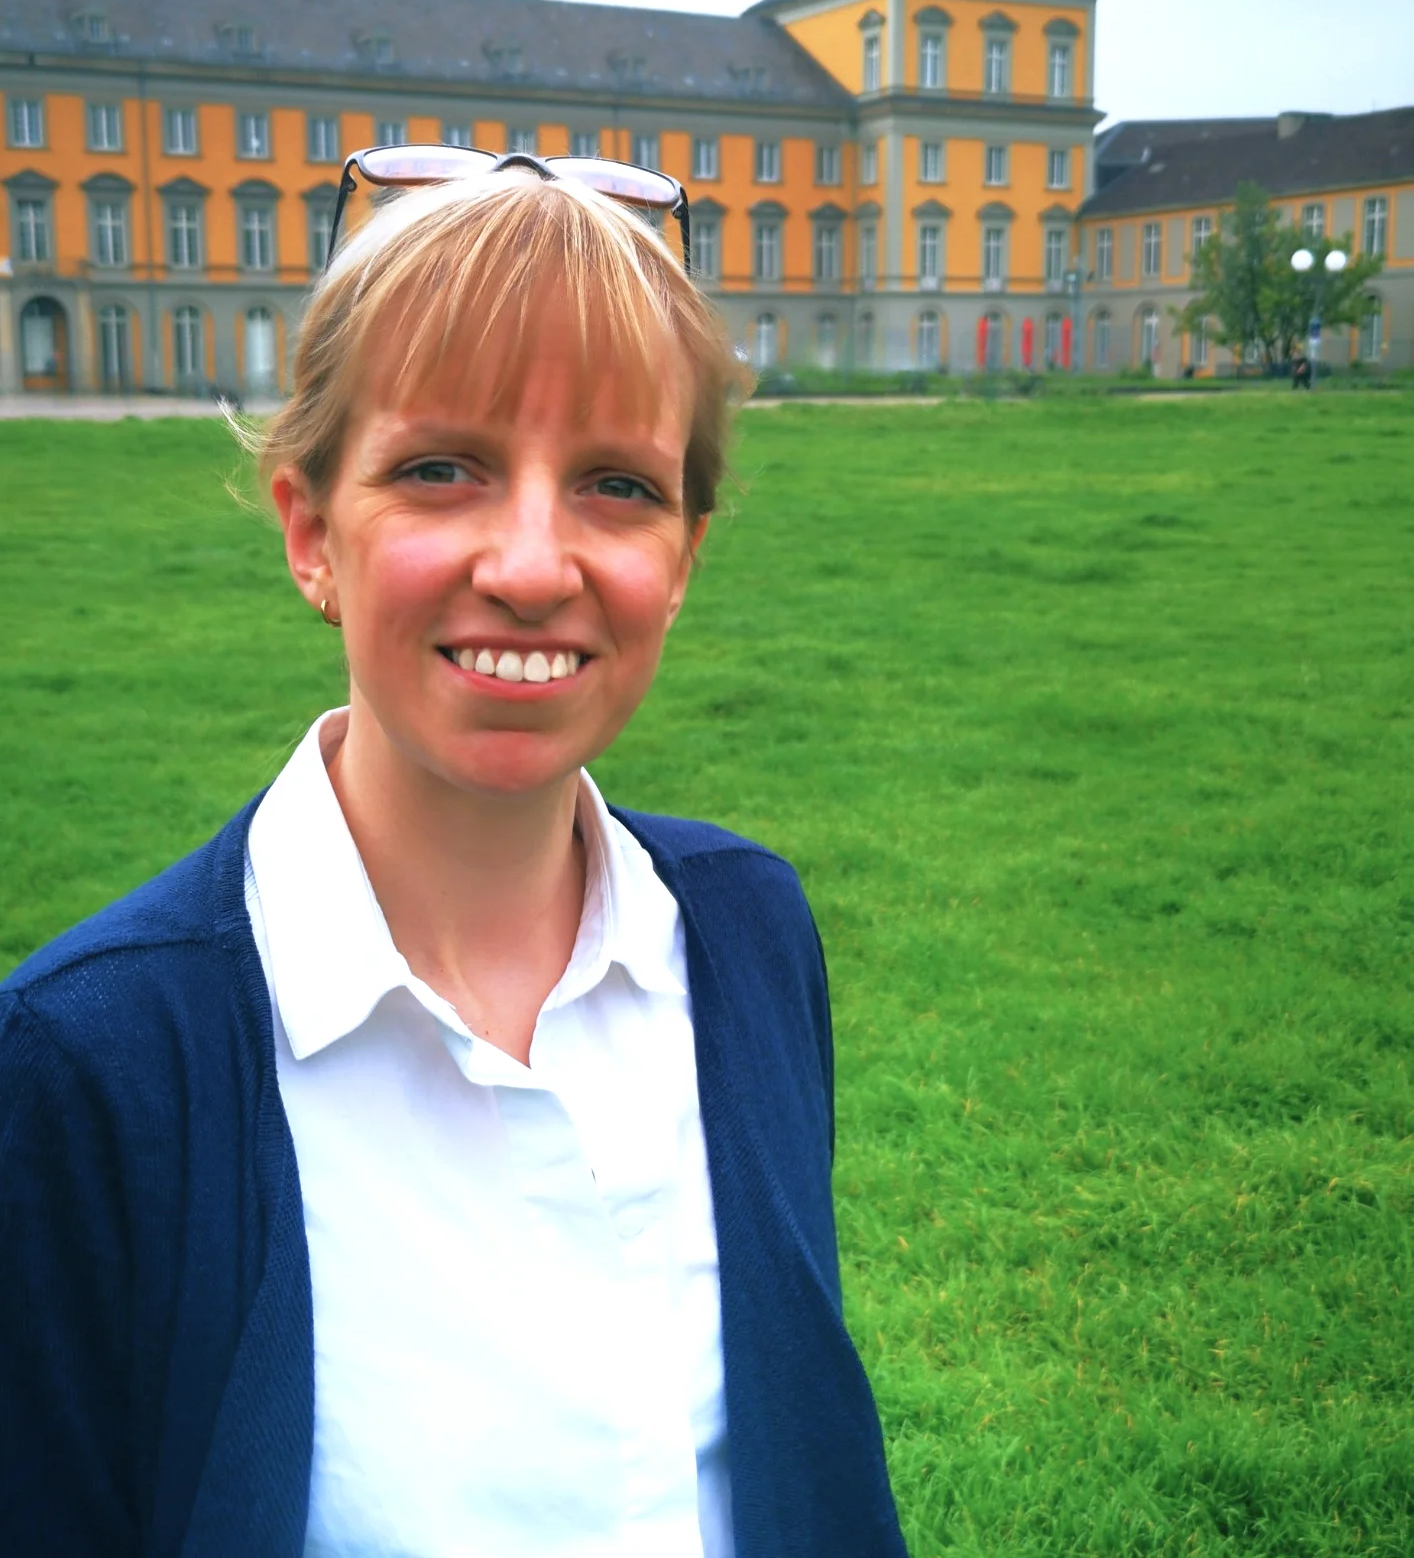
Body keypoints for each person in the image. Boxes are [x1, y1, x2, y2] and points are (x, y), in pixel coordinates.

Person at [0, 150, 908, 1558]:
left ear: (682, 557)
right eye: (440, 469)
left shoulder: (749, 934)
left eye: (617, 484)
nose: (533, 567)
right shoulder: (84, 1065)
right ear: (313, 533)